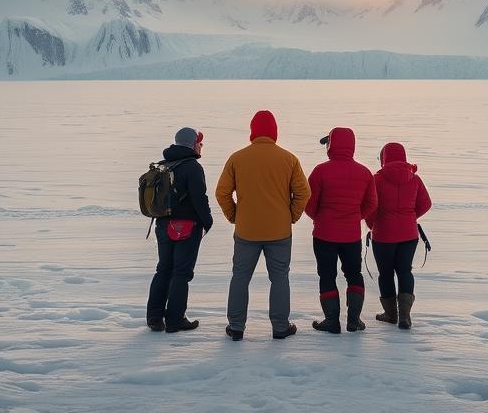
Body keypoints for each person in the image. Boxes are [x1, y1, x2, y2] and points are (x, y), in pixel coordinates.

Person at [216, 110, 311, 341]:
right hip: (278, 231)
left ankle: (236, 327)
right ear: (275, 132)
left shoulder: (237, 158)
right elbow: (303, 193)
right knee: (279, 277)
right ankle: (280, 327)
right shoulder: (288, 159)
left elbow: (222, 193)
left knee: (240, 276)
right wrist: (291, 216)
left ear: (252, 131)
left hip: (246, 230)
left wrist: (235, 216)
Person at [305, 127, 378, 333]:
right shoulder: (364, 173)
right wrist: (356, 217)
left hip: (324, 234)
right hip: (351, 235)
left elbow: (309, 203)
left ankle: (332, 321)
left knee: (327, 275)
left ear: (331, 144)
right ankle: (354, 320)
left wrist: (319, 218)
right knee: (354, 274)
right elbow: (372, 203)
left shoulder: (320, 171)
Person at [146, 127, 214, 334]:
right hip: (186, 227)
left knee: (163, 269)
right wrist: (208, 221)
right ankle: (175, 319)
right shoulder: (192, 167)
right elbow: (199, 198)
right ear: (192, 144)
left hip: (162, 225)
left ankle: (154, 317)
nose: (201, 146)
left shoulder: (164, 165)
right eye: (200, 143)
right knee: (181, 273)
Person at [365, 142, 432, 330]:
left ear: (384, 158)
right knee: (405, 271)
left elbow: (370, 206)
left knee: (385, 274)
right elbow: (426, 204)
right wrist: (409, 217)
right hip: (409, 235)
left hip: (383, 235)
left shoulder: (376, 179)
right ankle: (405, 316)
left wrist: (372, 224)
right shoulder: (415, 179)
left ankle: (391, 314)